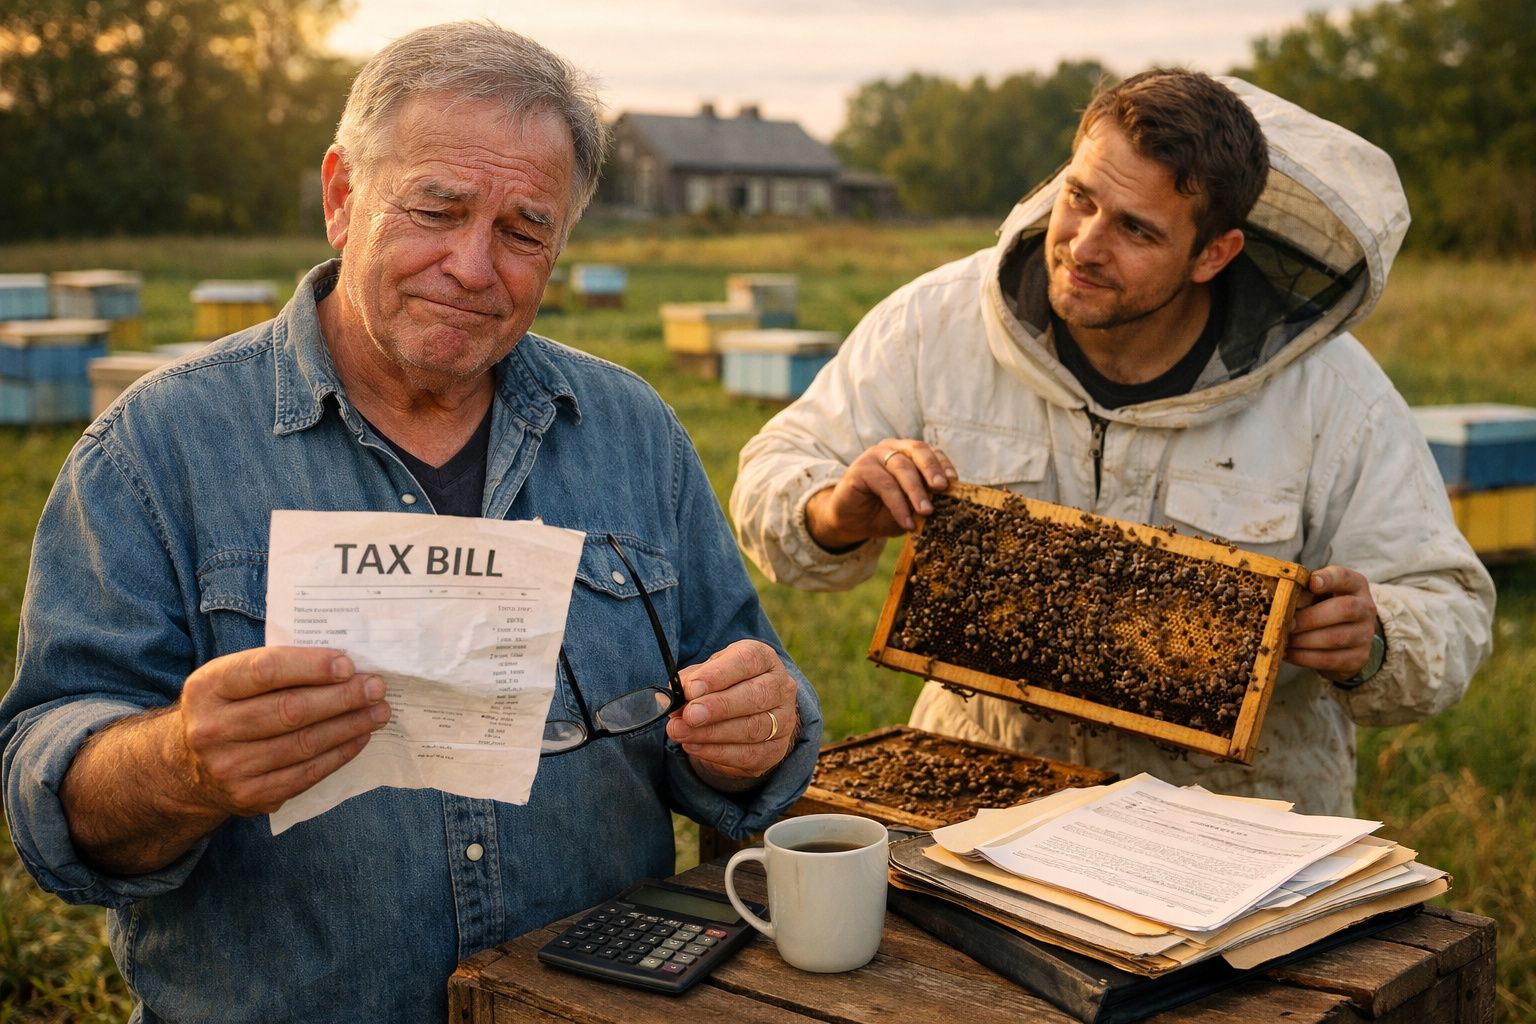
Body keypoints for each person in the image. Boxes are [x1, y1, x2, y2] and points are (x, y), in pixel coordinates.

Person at [1, 22, 821, 1023]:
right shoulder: (153, 453)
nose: (474, 267)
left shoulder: (633, 433)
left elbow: (754, 702)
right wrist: (180, 762)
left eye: (524, 230)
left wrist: (757, 732)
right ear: (342, 196)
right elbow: (49, 788)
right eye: (436, 209)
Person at [731, 69, 1493, 816]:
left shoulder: (1332, 396)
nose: (1084, 245)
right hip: (981, 788)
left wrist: (1379, 639)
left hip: (1230, 819)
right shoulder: (935, 324)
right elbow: (771, 474)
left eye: (1134, 228)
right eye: (1079, 198)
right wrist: (834, 511)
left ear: (1213, 255)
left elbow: (1449, 609)